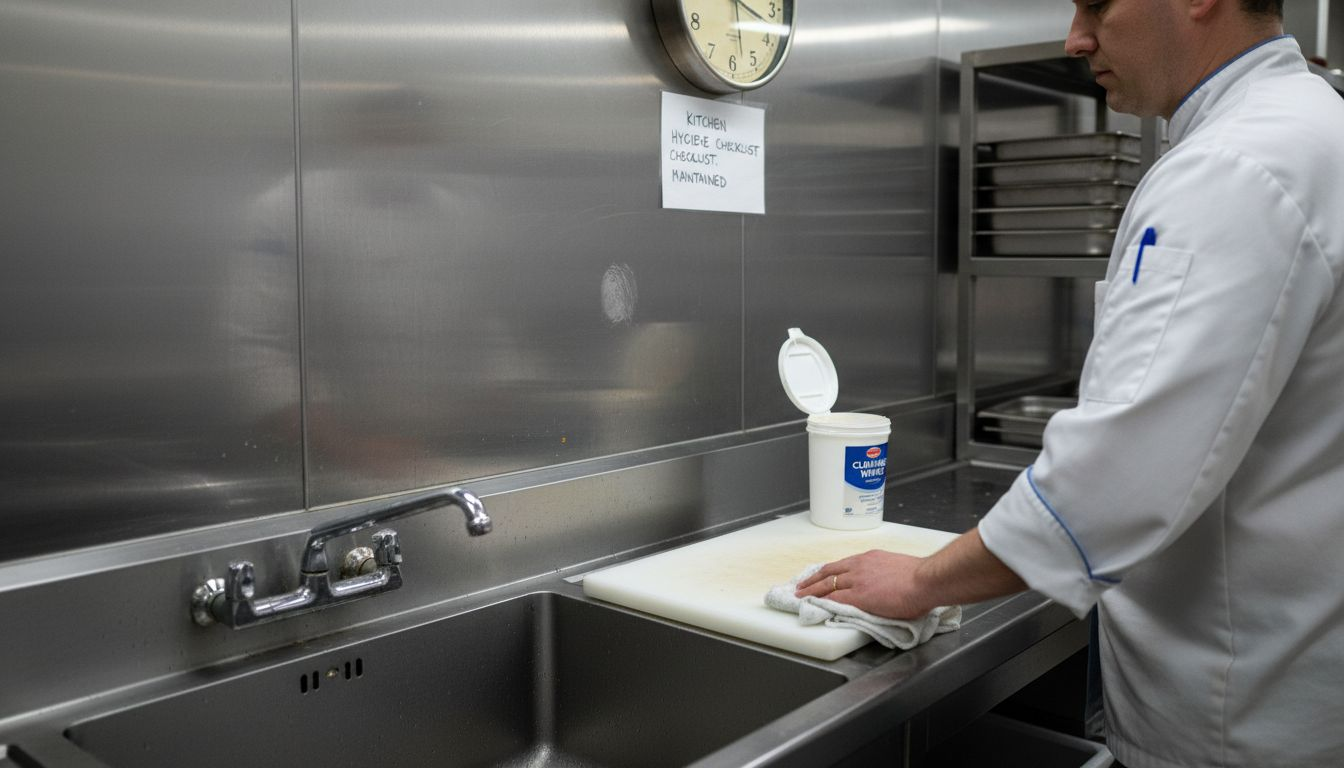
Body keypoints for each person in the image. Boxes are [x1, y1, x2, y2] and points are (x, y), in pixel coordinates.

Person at [796, 1, 1344, 766]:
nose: (1075, 38)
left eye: (1098, 4)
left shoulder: (1235, 167)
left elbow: (1122, 474)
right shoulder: (1315, 127)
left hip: (1234, 712)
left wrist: (924, 580)